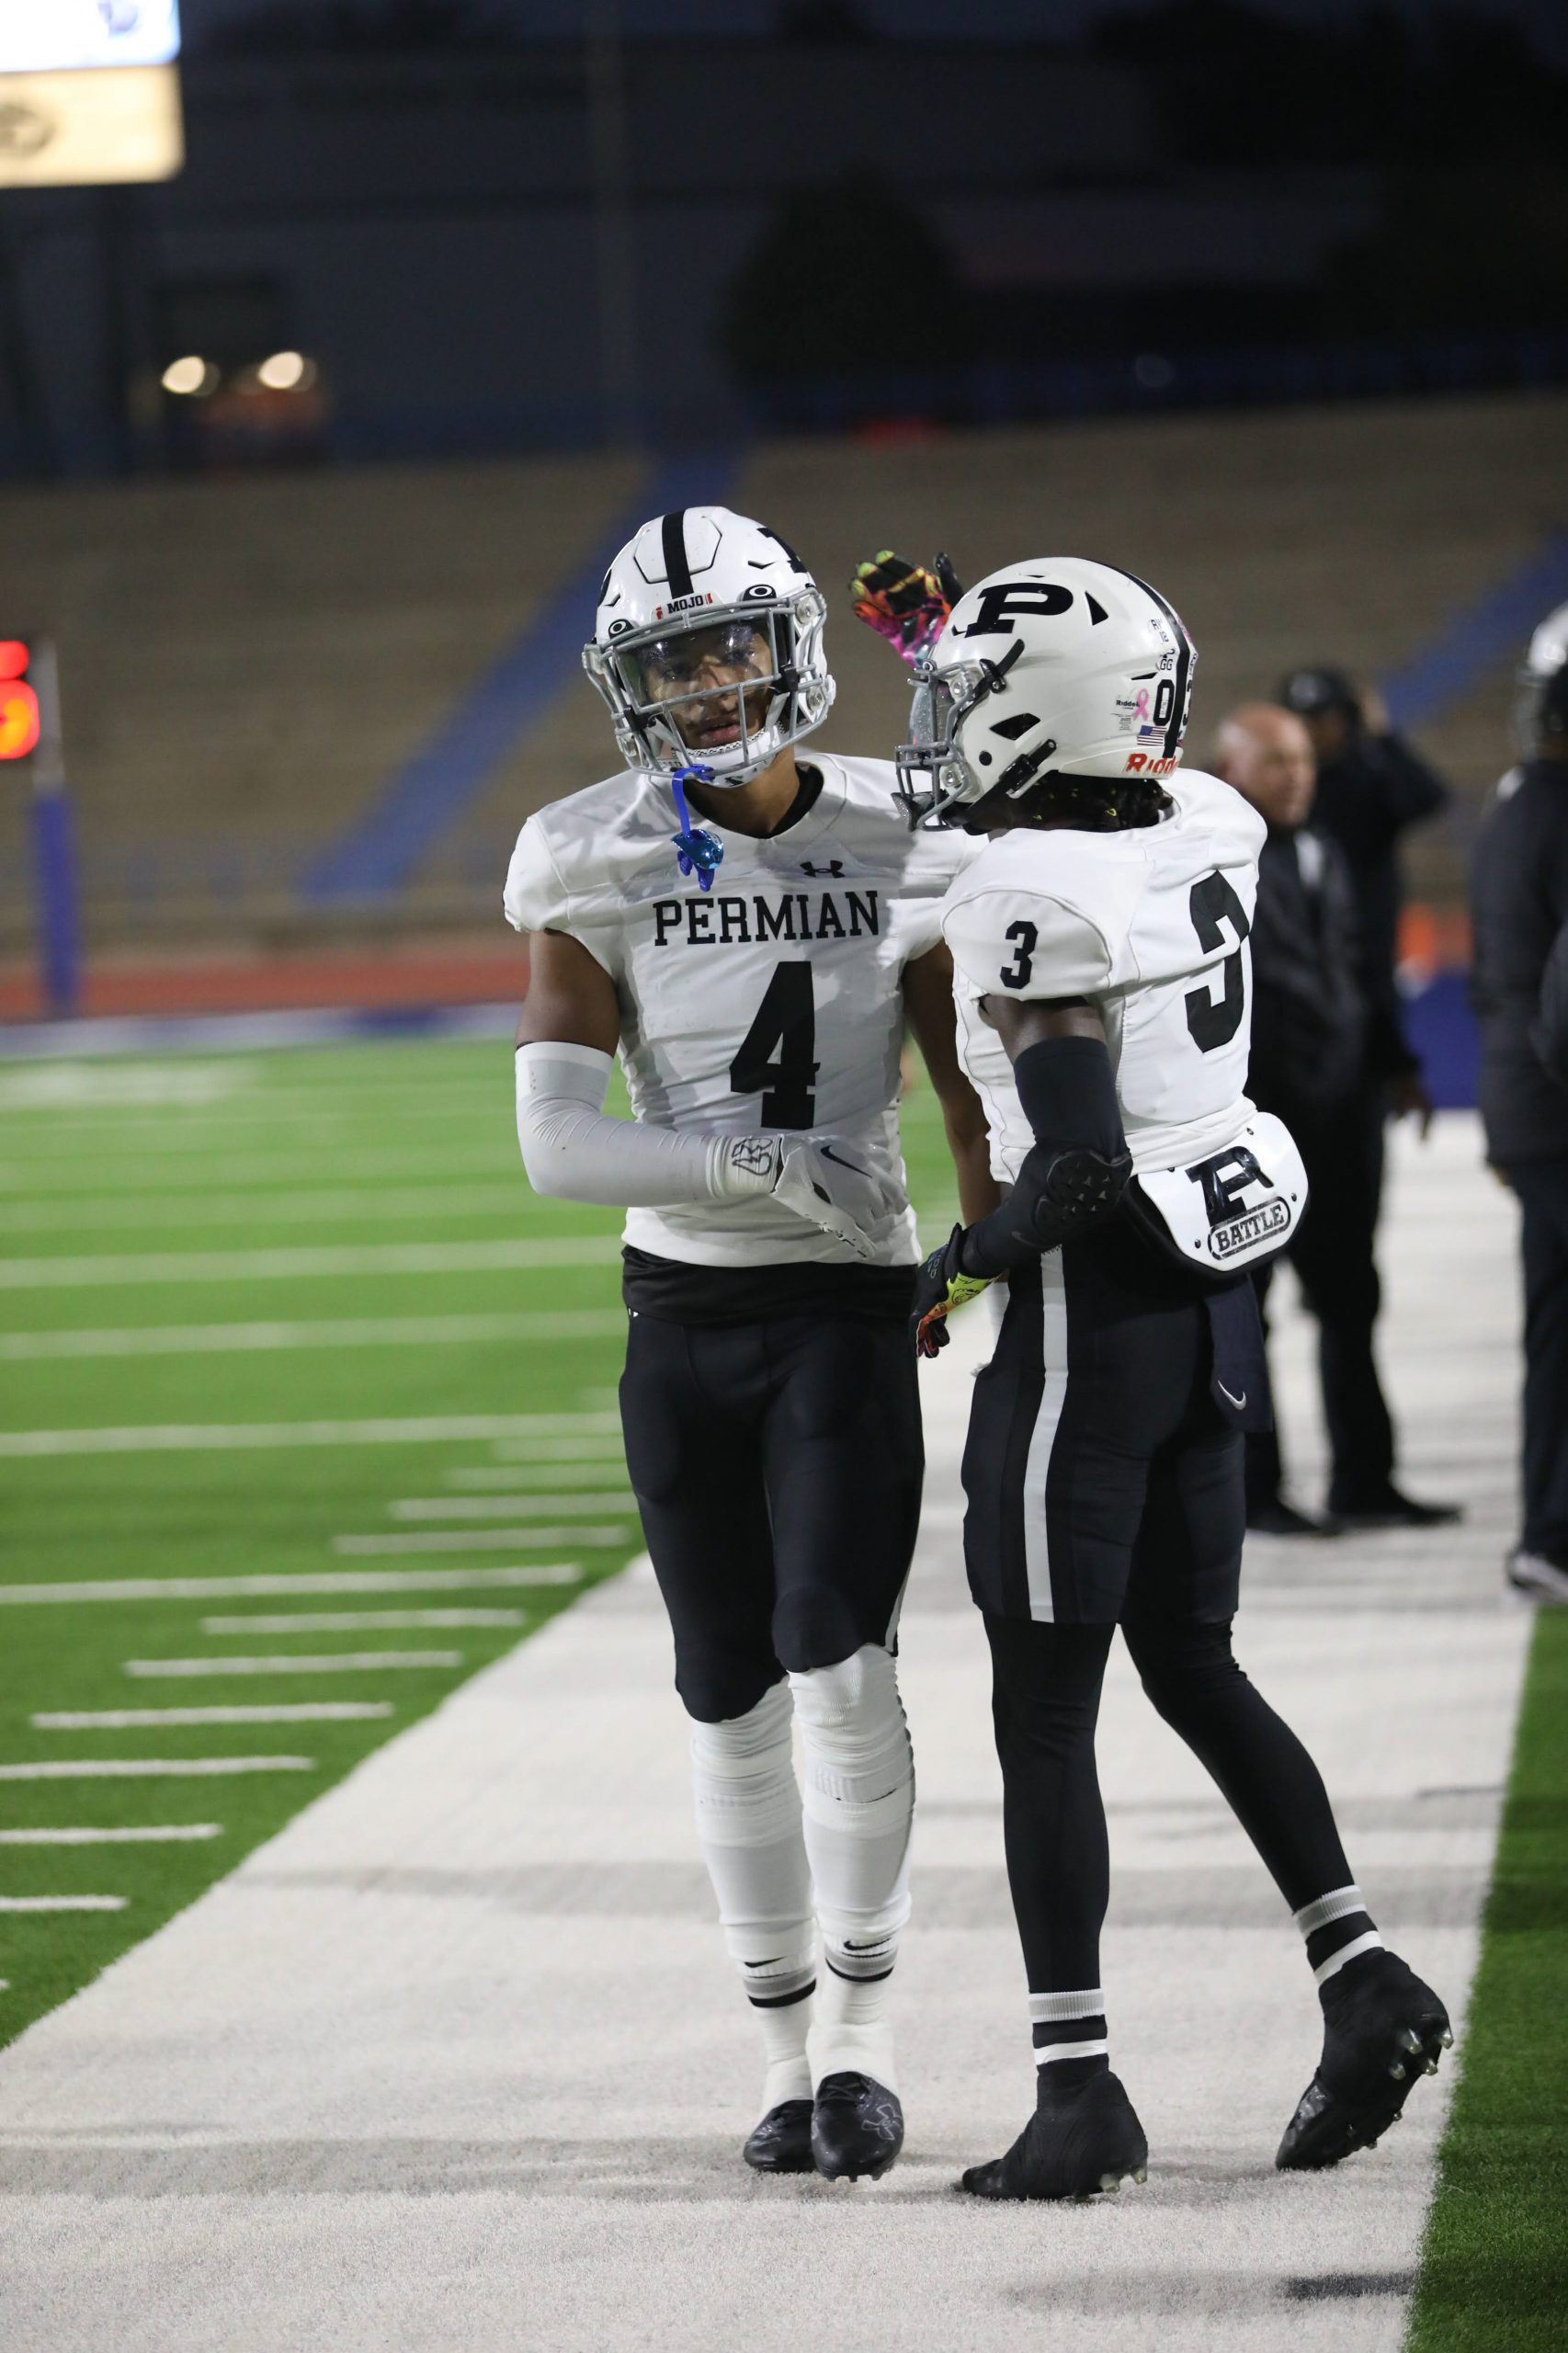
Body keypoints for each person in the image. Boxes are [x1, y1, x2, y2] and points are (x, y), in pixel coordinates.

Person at [894, 556, 1449, 2200]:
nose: (944, 726)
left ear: (1030, 717)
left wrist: (952, 1270)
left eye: (966, 700)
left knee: (1042, 1712)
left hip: (1088, 1320)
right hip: (1208, 1302)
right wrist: (958, 638)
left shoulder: (1030, 888)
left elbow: (1068, 1166)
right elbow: (1069, 778)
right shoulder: (1206, 815)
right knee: (1194, 1664)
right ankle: (1361, 1974)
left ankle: (1078, 2093)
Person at [506, 506, 994, 2182]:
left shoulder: (901, 823)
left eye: (728, 649)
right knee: (721, 1693)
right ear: (627, 685)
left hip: (847, 1300)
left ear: (788, 645)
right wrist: (753, 1166)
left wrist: (988, 1259)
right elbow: (556, 1146)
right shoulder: (590, 851)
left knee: (833, 1653)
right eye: (672, 663)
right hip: (687, 1309)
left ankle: (862, 2044)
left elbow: (965, 1085)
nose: (709, 686)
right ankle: (781, 2062)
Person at [1212, 705, 1459, 1535]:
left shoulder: (1324, 846)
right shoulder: (1206, 857)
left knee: (1351, 1295)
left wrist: (1393, 1067)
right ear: (1230, 769)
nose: (1296, 777)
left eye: (1302, 762)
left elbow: (1354, 967)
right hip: (1258, 1122)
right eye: (1275, 762)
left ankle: (1365, 1478)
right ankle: (1255, 1491)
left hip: (1342, 1115)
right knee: (1248, 1310)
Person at [1470, 640, 1568, 1605]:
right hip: (1555, 1103)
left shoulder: (1510, 809)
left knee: (1555, 1332)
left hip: (1521, 1100)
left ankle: (1548, 1539)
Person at [1277, 664, 1449, 1037]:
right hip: (1295, 958)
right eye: (1299, 720)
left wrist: (1383, 736)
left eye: (1321, 719)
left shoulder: (1370, 773)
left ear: (1346, 720)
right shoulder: (1278, 786)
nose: (1310, 731)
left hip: (1367, 955)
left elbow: (1428, 798)